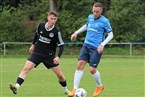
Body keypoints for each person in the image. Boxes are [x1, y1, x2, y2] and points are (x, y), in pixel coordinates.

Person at [9, 11, 70, 95]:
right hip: (37, 53)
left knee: (60, 75)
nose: (52, 20)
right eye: (51, 18)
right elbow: (36, 35)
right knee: (26, 69)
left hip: (49, 56)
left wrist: (58, 57)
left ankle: (66, 90)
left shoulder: (56, 32)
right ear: (48, 18)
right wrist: (33, 45)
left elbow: (61, 45)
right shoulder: (40, 26)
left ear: (56, 20)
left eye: (54, 19)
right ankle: (16, 87)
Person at [68, 2, 113, 97]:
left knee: (92, 69)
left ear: (101, 11)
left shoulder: (105, 21)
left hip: (96, 48)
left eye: (97, 12)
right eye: (94, 11)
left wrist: (102, 44)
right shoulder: (90, 17)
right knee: (79, 65)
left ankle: (99, 86)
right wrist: (76, 32)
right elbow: (86, 26)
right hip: (86, 45)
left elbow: (111, 35)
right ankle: (74, 89)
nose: (95, 13)